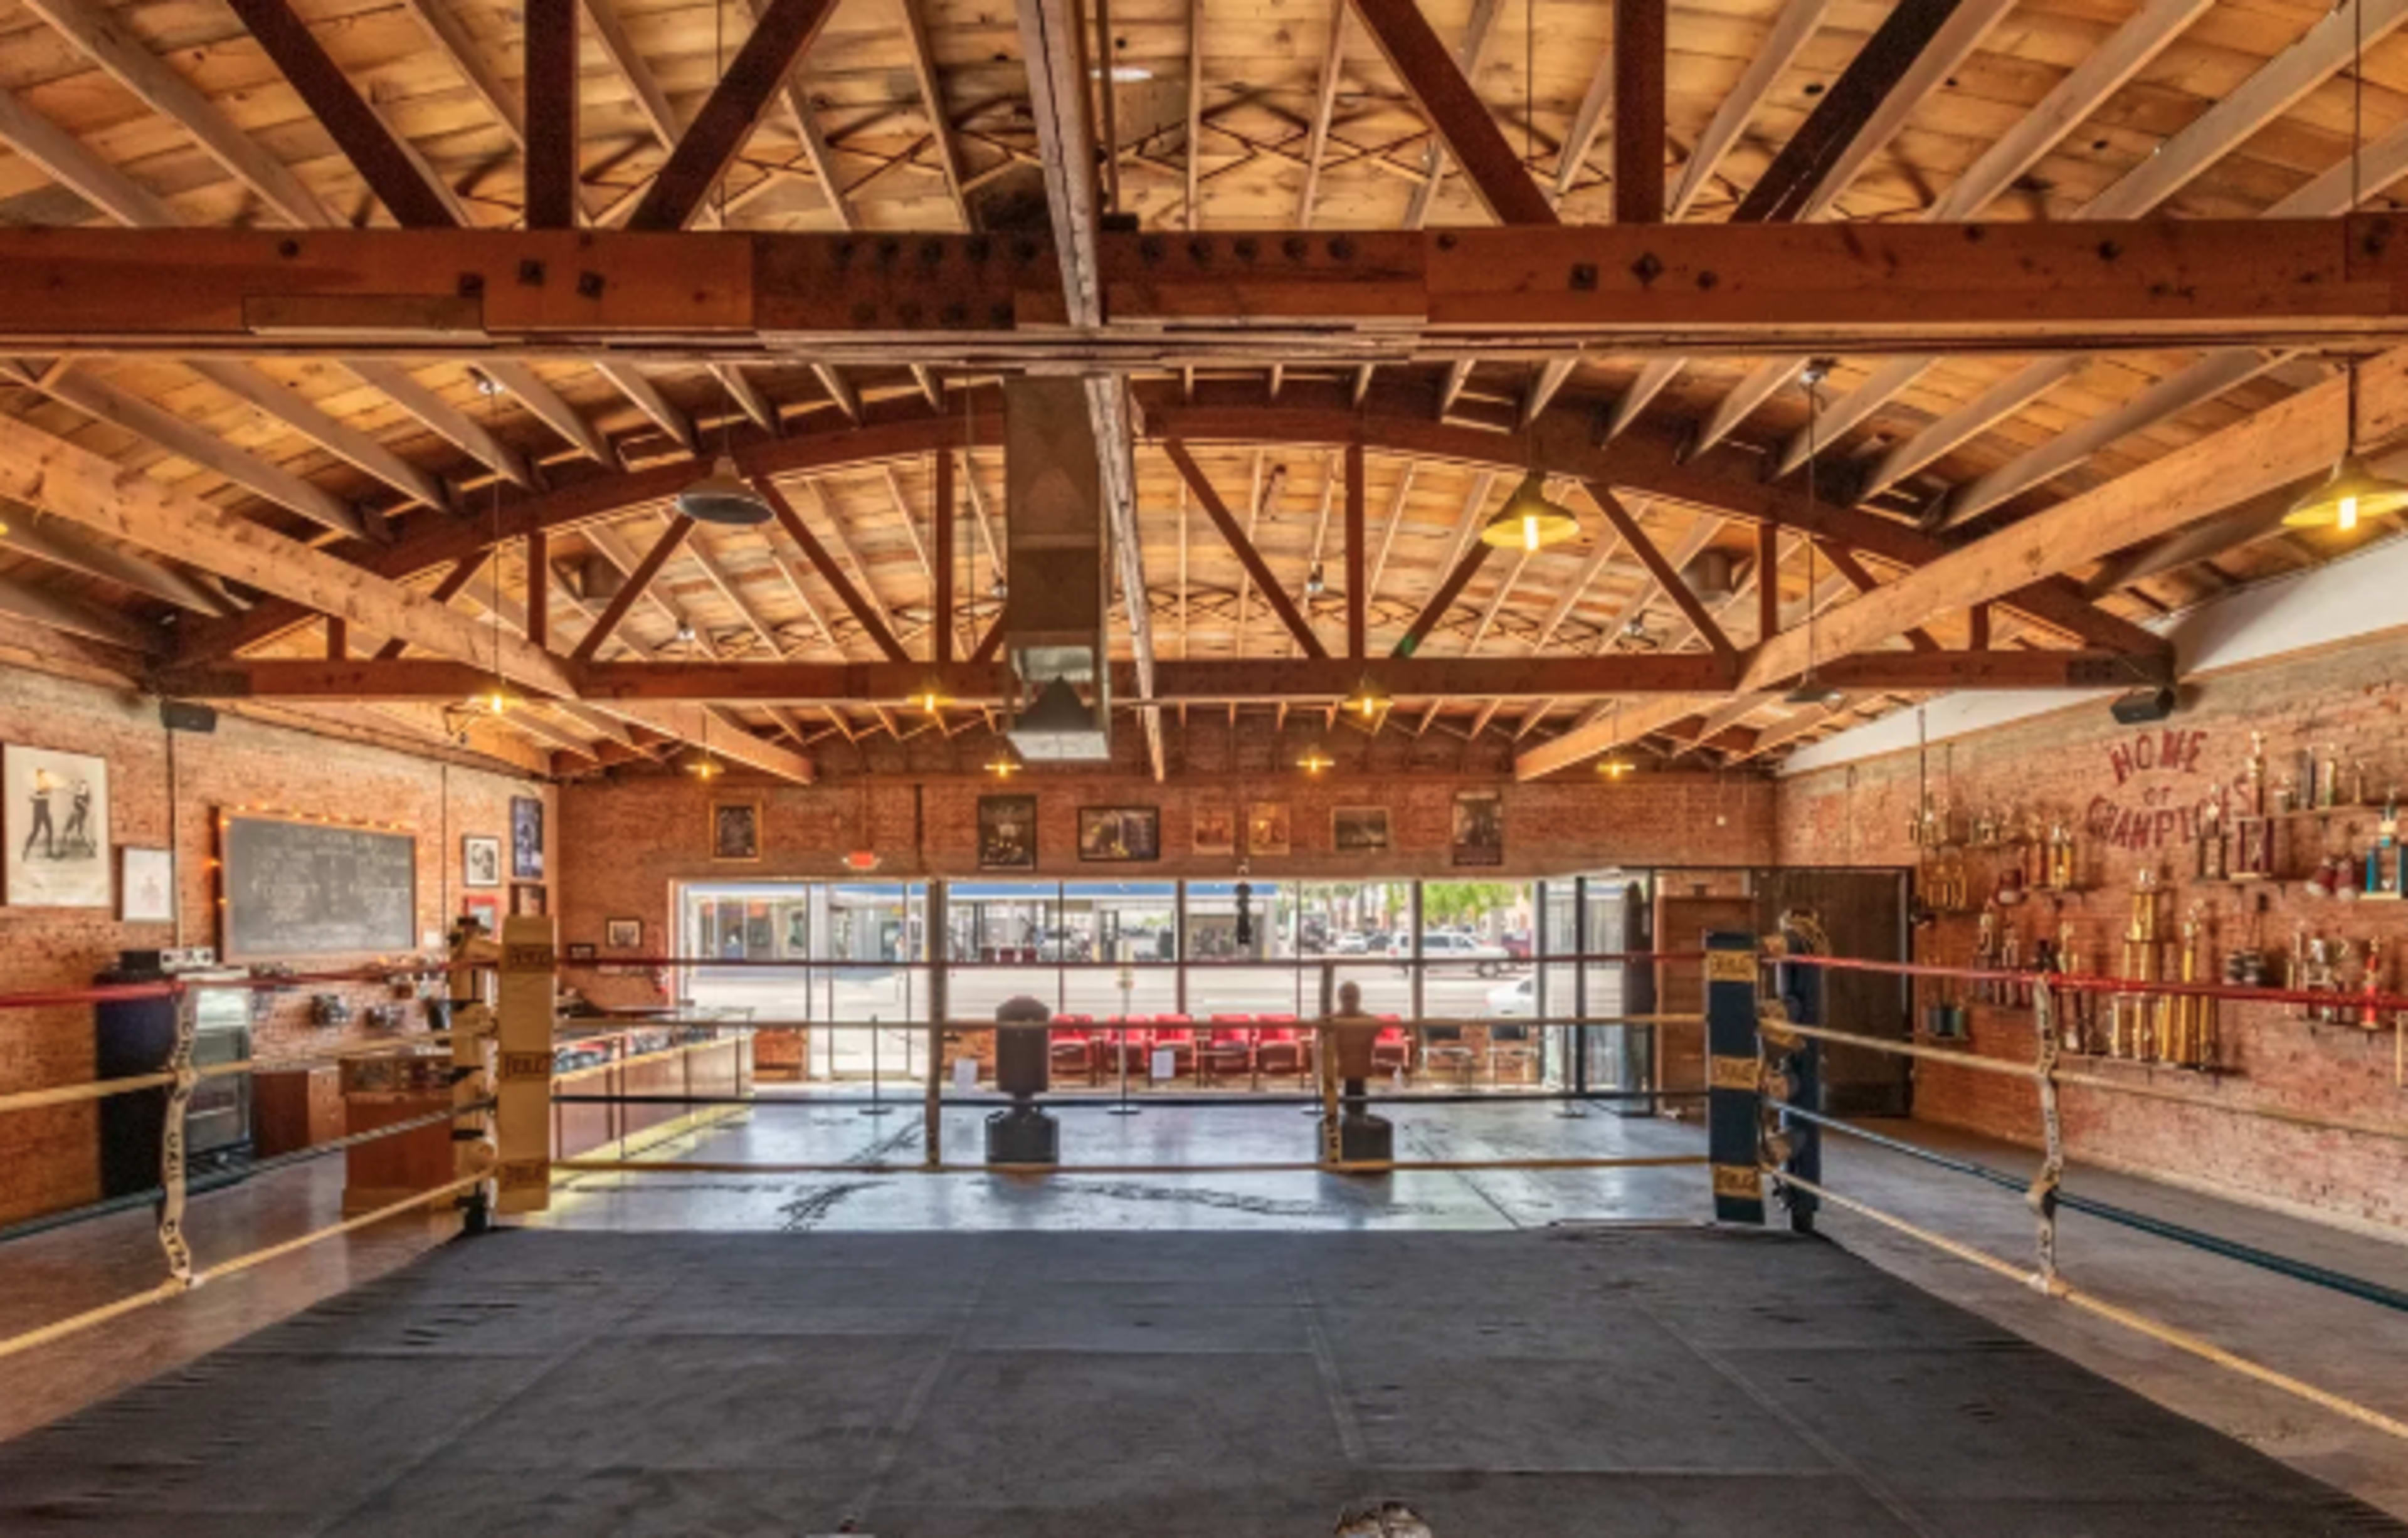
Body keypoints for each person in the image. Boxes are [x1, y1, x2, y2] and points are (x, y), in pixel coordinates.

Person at [19, 768, 56, 861]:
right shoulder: (35, 786)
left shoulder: (47, 786)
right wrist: (37, 796)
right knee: (35, 832)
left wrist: (38, 796)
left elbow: (48, 796)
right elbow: (30, 798)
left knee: (50, 830)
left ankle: (49, 852)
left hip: (45, 811)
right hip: (38, 811)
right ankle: (26, 851)